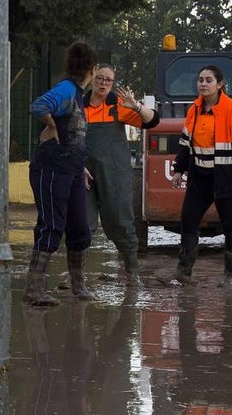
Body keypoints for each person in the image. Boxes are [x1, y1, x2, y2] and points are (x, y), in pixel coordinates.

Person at [23, 41, 96, 306]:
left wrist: (81, 166)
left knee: (79, 228)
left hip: (72, 168)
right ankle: (34, 288)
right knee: (51, 225)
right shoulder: (66, 89)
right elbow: (39, 106)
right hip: (52, 167)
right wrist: (53, 125)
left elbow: (73, 136)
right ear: (92, 68)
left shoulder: (77, 93)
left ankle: (78, 285)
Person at [83, 64, 160, 286]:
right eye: (100, 78)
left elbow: (153, 121)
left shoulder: (118, 105)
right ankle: (77, 277)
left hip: (114, 173)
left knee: (120, 220)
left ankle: (132, 272)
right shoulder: (79, 105)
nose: (104, 83)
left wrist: (135, 106)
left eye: (108, 80)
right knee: (82, 223)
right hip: (83, 173)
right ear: (92, 78)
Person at [172, 65, 232, 286]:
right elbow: (185, 143)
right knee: (188, 219)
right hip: (200, 177)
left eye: (208, 80)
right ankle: (183, 273)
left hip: (226, 177)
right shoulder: (193, 110)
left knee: (230, 225)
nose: (203, 84)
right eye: (200, 80)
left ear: (219, 85)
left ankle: (230, 276)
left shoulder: (230, 109)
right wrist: (179, 169)